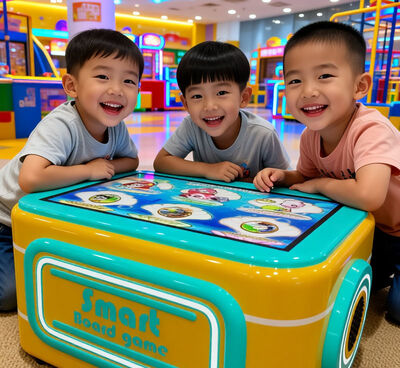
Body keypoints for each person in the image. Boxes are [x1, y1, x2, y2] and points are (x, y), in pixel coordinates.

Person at [253, 21, 400, 323]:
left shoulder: (371, 129)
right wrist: (281, 175)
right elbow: (305, 177)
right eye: (295, 81)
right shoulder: (311, 135)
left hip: (396, 230)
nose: (308, 91)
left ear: (360, 86)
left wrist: (321, 184)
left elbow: (369, 195)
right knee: (336, 292)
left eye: (324, 76)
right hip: (368, 229)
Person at [0, 28, 144, 311]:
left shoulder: (115, 126)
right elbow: (32, 178)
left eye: (129, 80)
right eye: (103, 76)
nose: (117, 89)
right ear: (72, 86)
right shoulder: (62, 125)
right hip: (6, 219)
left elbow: (132, 161)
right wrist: (89, 171)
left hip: (44, 219)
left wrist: (107, 167)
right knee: (10, 294)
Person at [153, 41, 290, 182]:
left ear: (243, 97)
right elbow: (161, 162)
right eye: (197, 96)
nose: (209, 106)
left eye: (221, 93)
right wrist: (208, 169)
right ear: (186, 104)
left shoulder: (263, 134)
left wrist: (268, 178)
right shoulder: (191, 126)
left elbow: (288, 178)